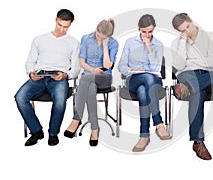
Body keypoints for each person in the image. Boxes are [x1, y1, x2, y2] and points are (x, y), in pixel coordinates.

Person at [171, 13, 213, 160]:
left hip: (207, 75)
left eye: (187, 27)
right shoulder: (177, 42)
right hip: (187, 74)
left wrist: (192, 61)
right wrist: (183, 42)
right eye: (182, 30)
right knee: (197, 92)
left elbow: (212, 62)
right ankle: (198, 142)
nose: (187, 31)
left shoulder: (210, 36)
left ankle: (188, 87)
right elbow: (179, 65)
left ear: (191, 21)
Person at [15, 9, 80, 146]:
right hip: (39, 75)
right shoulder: (39, 39)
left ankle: (53, 133)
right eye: (60, 25)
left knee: (60, 100)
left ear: (70, 25)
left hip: (59, 77)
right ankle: (36, 130)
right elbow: (30, 61)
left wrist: (65, 75)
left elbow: (76, 68)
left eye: (66, 27)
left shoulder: (73, 43)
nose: (62, 29)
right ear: (56, 20)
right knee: (19, 96)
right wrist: (31, 72)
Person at [118, 14, 171, 152]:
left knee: (143, 90)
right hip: (133, 79)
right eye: (143, 31)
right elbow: (121, 66)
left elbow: (155, 68)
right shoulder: (130, 42)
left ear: (154, 29)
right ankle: (159, 123)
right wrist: (134, 69)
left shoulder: (158, 45)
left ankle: (144, 136)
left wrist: (149, 48)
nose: (147, 35)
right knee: (146, 80)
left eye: (150, 31)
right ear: (139, 29)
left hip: (154, 80)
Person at [64, 19, 119, 147]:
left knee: (84, 80)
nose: (100, 38)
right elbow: (82, 62)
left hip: (104, 78)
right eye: (99, 35)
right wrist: (93, 70)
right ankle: (95, 128)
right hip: (88, 77)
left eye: (104, 38)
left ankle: (76, 118)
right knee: (90, 87)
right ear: (96, 29)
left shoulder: (113, 43)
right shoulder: (86, 38)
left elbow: (107, 65)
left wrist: (105, 46)